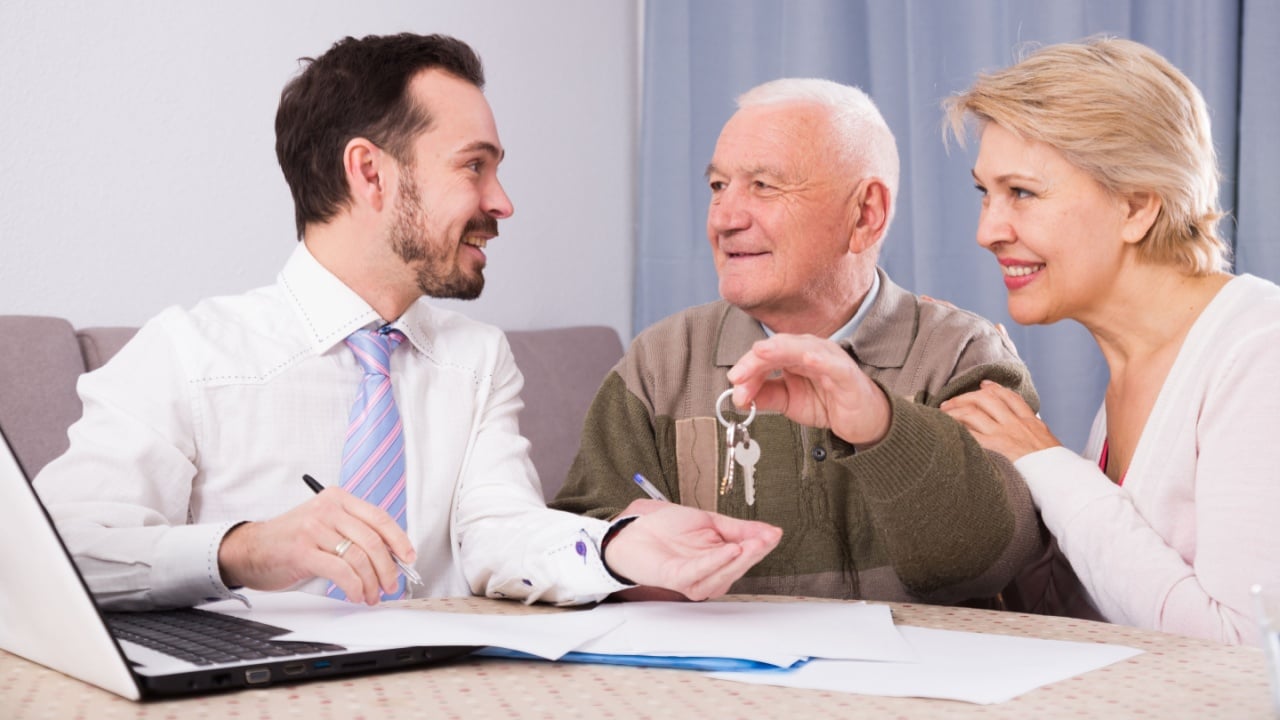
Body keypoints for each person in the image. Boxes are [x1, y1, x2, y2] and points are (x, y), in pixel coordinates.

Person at [33, 33, 780, 611]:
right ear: (370, 174)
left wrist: (618, 547)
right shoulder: (189, 354)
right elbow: (49, 559)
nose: (502, 202)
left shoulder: (478, 359)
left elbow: (497, 529)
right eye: (473, 167)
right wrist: (242, 549)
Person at [552, 78, 1045, 605]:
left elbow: (991, 562)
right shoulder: (658, 363)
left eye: (764, 185)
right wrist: (622, 552)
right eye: (718, 187)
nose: (725, 218)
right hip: (718, 685)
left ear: (865, 215)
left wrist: (884, 429)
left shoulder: (964, 356)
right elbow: (568, 550)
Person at [939, 37, 1280, 645]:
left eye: (1022, 192)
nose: (987, 230)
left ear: (1136, 207)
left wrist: (1046, 463)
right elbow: (1107, 616)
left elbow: (1245, 651)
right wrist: (1000, 472)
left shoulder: (1259, 351)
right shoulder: (1135, 364)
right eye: (984, 193)